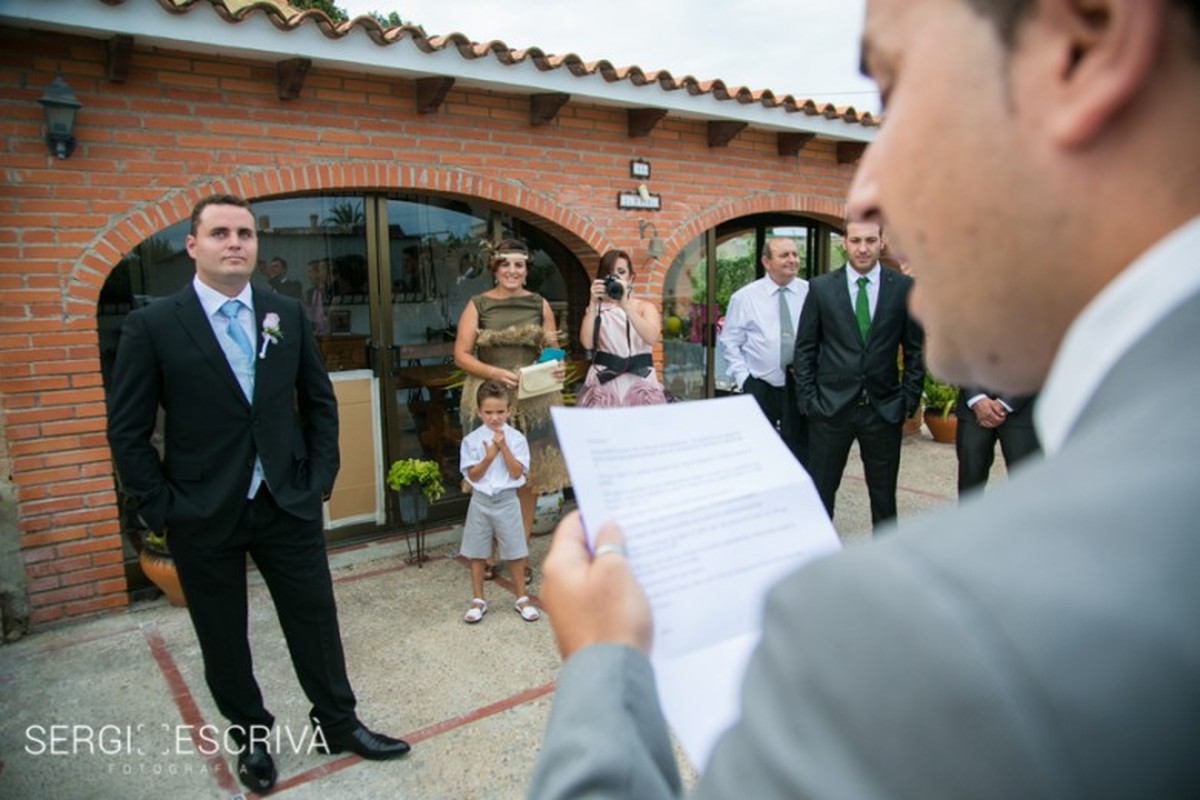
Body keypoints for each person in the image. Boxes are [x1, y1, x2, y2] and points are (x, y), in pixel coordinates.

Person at [527, 0, 1200, 797]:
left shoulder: (903, 626)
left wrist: (606, 661)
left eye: (894, 91)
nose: (869, 192)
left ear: (1081, 45)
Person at [106, 194, 410, 796]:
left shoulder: (285, 314)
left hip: (286, 502)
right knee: (223, 634)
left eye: (244, 233)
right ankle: (252, 738)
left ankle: (338, 723)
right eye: (219, 232)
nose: (235, 243)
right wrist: (160, 507)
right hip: (200, 510)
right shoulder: (154, 324)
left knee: (316, 621)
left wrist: (320, 477)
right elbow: (127, 430)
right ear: (192, 245)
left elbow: (319, 405)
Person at [793, 220, 924, 529]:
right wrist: (810, 401)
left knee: (884, 497)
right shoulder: (822, 288)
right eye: (855, 240)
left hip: (883, 410)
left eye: (869, 240)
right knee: (822, 493)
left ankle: (885, 566)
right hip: (830, 410)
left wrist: (907, 400)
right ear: (844, 243)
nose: (862, 248)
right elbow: (805, 350)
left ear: (882, 242)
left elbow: (916, 350)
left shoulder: (903, 289)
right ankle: (820, 558)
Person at [453, 238, 569, 571]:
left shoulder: (539, 304)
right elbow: (460, 354)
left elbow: (551, 351)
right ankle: (486, 553)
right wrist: (495, 373)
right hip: (491, 398)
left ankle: (518, 554)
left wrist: (556, 365)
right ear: (495, 268)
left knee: (528, 479)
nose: (512, 271)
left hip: (534, 399)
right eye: (506, 264)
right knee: (490, 474)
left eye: (519, 264)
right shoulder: (478, 305)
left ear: (527, 269)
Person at [717, 237, 809, 462]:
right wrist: (744, 378)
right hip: (762, 386)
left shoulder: (812, 292)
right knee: (761, 452)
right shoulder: (745, 297)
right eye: (784, 255)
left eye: (795, 254)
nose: (792, 260)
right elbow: (729, 341)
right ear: (766, 262)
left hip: (802, 387)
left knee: (800, 452)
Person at [458, 380, 539, 623]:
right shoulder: (472, 440)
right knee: (477, 551)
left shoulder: (516, 439)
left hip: (507, 500)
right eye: (489, 412)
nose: (495, 418)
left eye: (500, 412)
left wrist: (503, 449)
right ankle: (477, 600)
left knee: (514, 550)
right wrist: (489, 456)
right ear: (479, 411)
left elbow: (517, 474)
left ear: (509, 410)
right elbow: (472, 475)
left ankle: (522, 598)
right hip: (481, 501)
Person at [577, 249, 667, 407]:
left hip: (639, 382)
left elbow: (651, 337)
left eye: (621, 272)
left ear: (631, 277)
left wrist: (625, 305)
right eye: (609, 273)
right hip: (604, 381)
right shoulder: (596, 309)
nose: (616, 277)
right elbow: (587, 343)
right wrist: (592, 303)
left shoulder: (645, 307)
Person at [955, 388, 1040, 495]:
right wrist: (977, 399)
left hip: (1023, 408)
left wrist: (1006, 402)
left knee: (1026, 485)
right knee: (969, 487)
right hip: (973, 409)